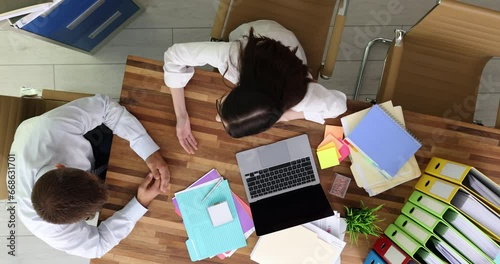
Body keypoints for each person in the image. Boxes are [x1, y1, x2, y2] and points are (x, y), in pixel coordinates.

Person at [9, 94, 170, 258]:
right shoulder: (51, 231)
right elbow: (98, 246)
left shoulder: (49, 128)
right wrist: (140, 203)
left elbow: (105, 107)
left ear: (60, 166)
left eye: (91, 176)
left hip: (75, 138)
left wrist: (148, 150)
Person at [164, 20, 347, 154]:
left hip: (289, 53)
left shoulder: (304, 95)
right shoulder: (234, 55)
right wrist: (181, 115)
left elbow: (339, 106)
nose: (217, 116)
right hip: (263, 34)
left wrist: (286, 117)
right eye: (220, 108)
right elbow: (173, 55)